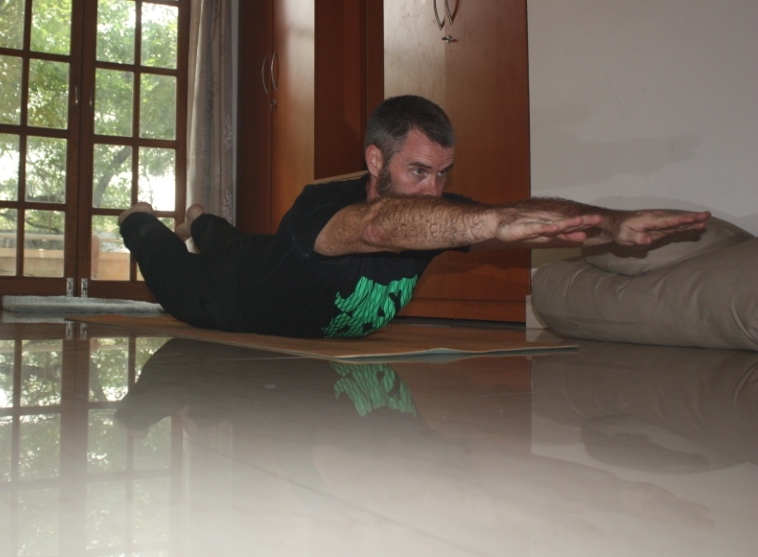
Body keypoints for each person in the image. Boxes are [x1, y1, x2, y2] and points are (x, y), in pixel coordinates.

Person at [118, 95, 710, 338]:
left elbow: (518, 216)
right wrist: (492, 224)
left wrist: (609, 222)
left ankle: (200, 218)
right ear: (376, 160)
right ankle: (147, 216)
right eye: (419, 172)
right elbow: (378, 228)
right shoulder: (320, 210)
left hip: (262, 258)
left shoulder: (437, 211)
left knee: (232, 237)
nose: (435, 191)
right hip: (222, 296)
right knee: (156, 241)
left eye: (444, 174)